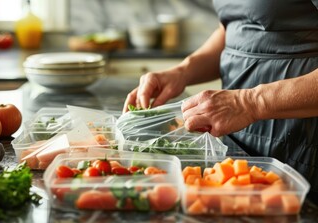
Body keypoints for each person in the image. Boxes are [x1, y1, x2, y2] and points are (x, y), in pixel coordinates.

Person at [123, 0, 318, 203]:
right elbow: (237, 28)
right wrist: (182, 72)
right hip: (239, 138)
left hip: (302, 141)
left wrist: (248, 103)